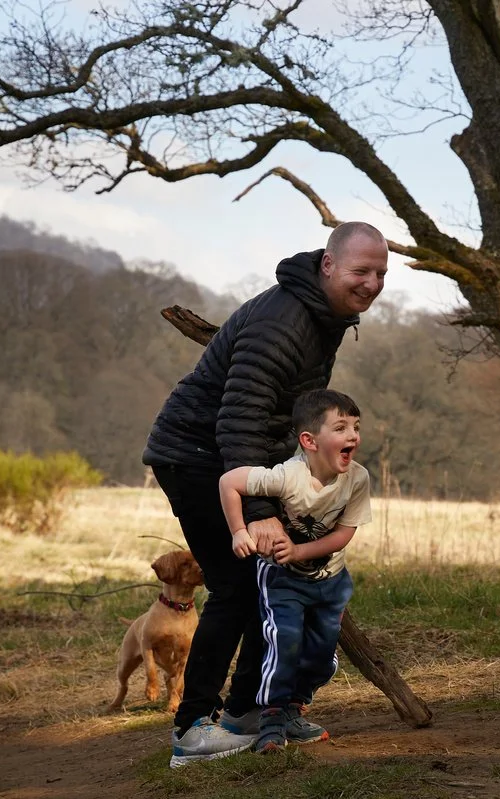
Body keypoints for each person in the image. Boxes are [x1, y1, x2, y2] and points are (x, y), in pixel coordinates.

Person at [142, 221, 388, 768]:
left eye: (380, 274)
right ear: (328, 265)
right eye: (360, 271)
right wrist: (257, 513)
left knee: (271, 582)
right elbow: (241, 417)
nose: (371, 284)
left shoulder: (326, 316)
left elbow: (289, 412)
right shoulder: (285, 321)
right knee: (234, 584)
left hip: (238, 457)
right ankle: (192, 728)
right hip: (197, 455)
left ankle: (246, 714)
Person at [222, 389, 371, 753]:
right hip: (282, 579)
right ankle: (270, 717)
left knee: (321, 658)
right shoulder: (287, 476)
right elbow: (229, 483)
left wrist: (300, 549)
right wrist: (240, 531)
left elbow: (343, 535)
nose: (352, 435)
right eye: (341, 427)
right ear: (309, 440)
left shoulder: (358, 478)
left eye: (355, 426)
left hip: (330, 580)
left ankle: (293, 707)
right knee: (283, 642)